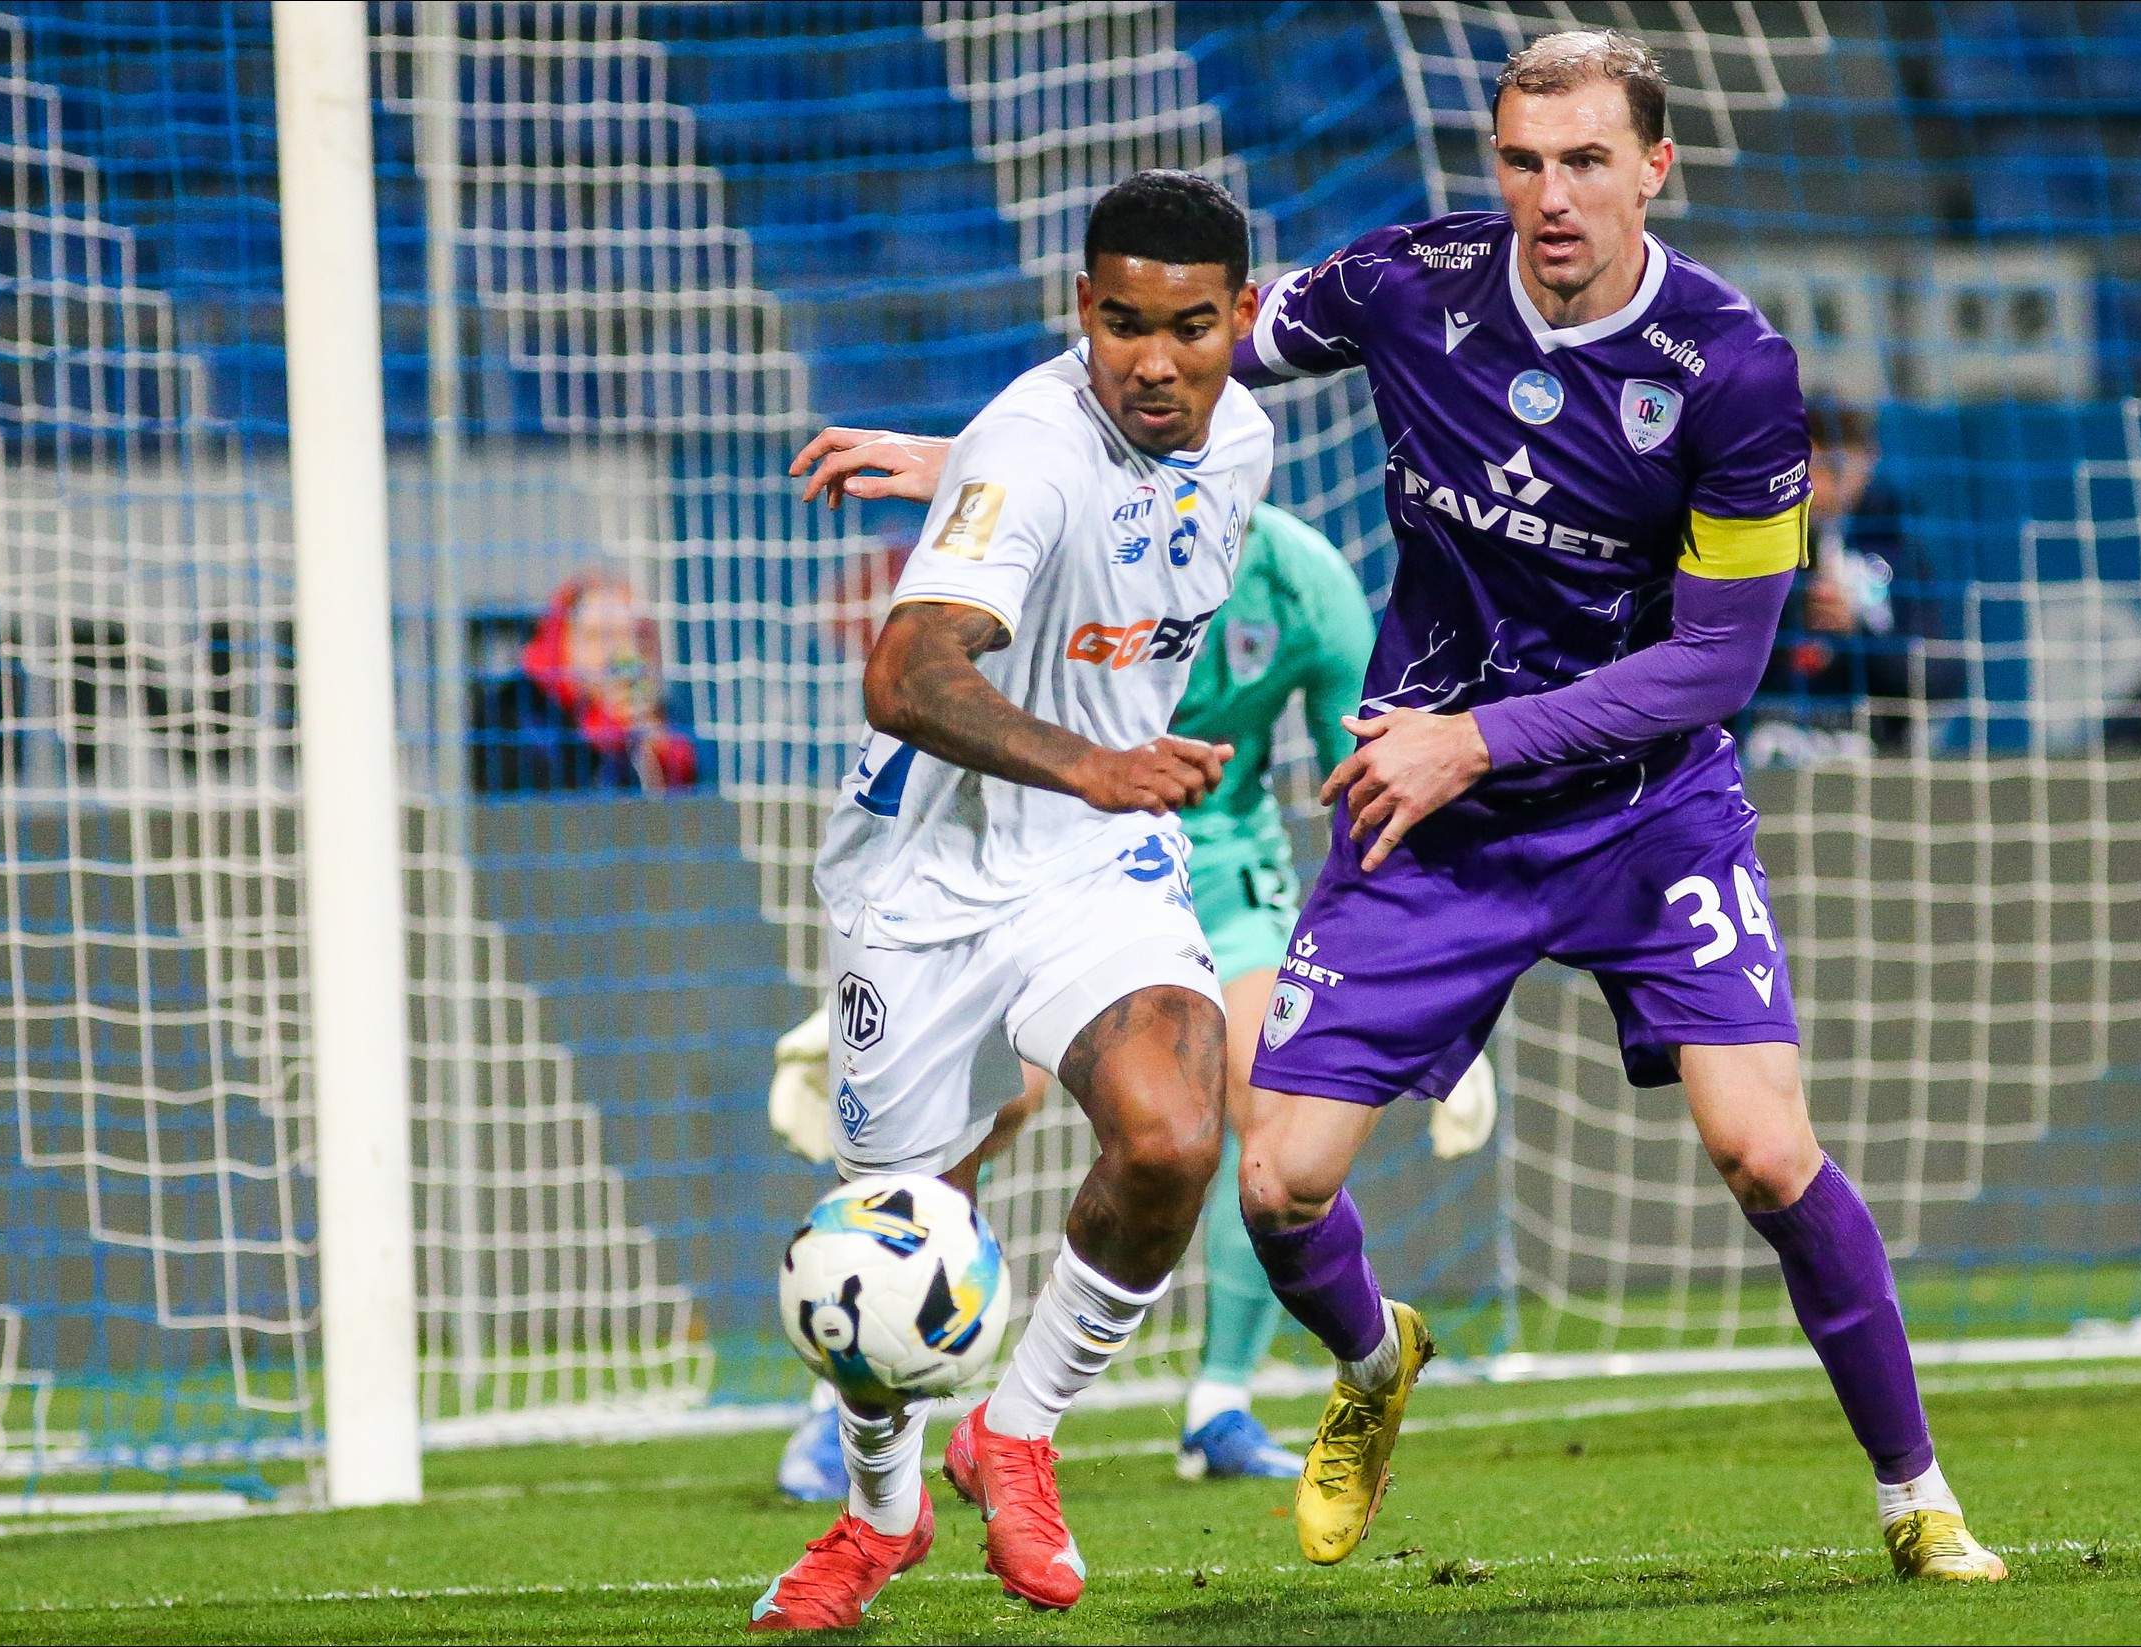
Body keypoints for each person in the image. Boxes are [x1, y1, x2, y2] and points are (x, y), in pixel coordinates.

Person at [794, 27, 2006, 1589]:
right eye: (1522, 161)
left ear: (1653, 168)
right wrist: (978, 465)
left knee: (1763, 1151)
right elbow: (1171, 346)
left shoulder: (1733, 369)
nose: (1550, 196)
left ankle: (1917, 1493)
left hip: (1641, 811)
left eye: (1585, 162)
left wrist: (1475, 739)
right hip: (1428, 821)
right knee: (1276, 1180)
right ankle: (1374, 1365)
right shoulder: (1408, 284)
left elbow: (1715, 664)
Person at [745, 170, 1271, 1631]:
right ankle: (883, 1514)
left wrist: (944, 455)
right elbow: (904, 672)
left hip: (1091, 864)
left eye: (1188, 328)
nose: (1152, 360)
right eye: (1120, 325)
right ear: (1078, 310)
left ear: (1239, 318)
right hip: (923, 877)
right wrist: (1093, 761)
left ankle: (1018, 1433)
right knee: (894, 1228)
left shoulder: (1245, 433)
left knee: (1172, 1131)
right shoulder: (1028, 452)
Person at [764, 498, 1382, 1496]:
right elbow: (928, 691)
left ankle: (1219, 1403)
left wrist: (1380, 976)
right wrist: (890, 965)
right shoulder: (1066, 523)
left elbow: (1365, 786)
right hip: (1033, 852)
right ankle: (861, 1388)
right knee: (988, 1108)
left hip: (1218, 871)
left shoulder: (1307, 582)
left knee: (1263, 1097)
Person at [1754, 400, 1962, 759]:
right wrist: (1790, 613)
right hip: (1763, 739)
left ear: (1868, 460)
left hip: (1868, 747)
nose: (1821, 485)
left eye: (1837, 470)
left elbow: (1940, 678)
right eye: (1809, 468)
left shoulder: (1896, 541)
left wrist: (1857, 634)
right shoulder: (1745, 540)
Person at [472, 570, 700, 793]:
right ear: (562, 640)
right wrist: (604, 738)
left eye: (636, 638)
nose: (620, 653)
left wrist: (660, 749)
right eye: (598, 637)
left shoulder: (657, 715)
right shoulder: (512, 712)